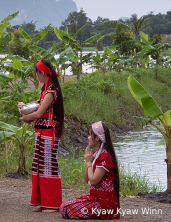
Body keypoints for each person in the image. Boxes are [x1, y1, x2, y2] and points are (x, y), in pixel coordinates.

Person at [20, 59, 65, 213]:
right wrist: (24, 108)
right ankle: (44, 202)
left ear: (42, 73)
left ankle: (52, 203)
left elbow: (39, 113)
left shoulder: (51, 91)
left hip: (49, 133)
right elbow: (38, 107)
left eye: (37, 73)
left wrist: (26, 117)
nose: (36, 76)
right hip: (41, 132)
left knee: (49, 166)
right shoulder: (45, 90)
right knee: (40, 166)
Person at [60, 122, 120, 220]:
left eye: (90, 135)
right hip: (96, 199)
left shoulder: (104, 157)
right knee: (64, 207)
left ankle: (107, 212)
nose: (88, 137)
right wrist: (89, 162)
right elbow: (87, 179)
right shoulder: (96, 155)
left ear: (97, 138)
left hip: (104, 203)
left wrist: (89, 162)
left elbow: (93, 181)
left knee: (66, 209)